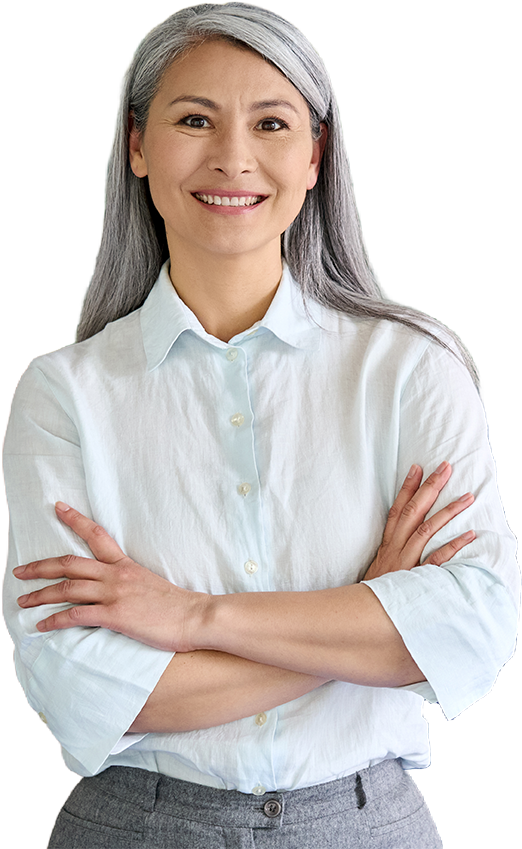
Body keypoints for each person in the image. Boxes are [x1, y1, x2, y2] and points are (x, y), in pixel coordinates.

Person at [3, 3, 520, 847]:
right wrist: (364, 617)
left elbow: (472, 627)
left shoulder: (412, 368)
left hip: (366, 824)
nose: (233, 157)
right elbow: (79, 690)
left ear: (315, 154)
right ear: (137, 144)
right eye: (194, 119)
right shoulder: (67, 396)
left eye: (272, 122)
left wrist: (193, 618)